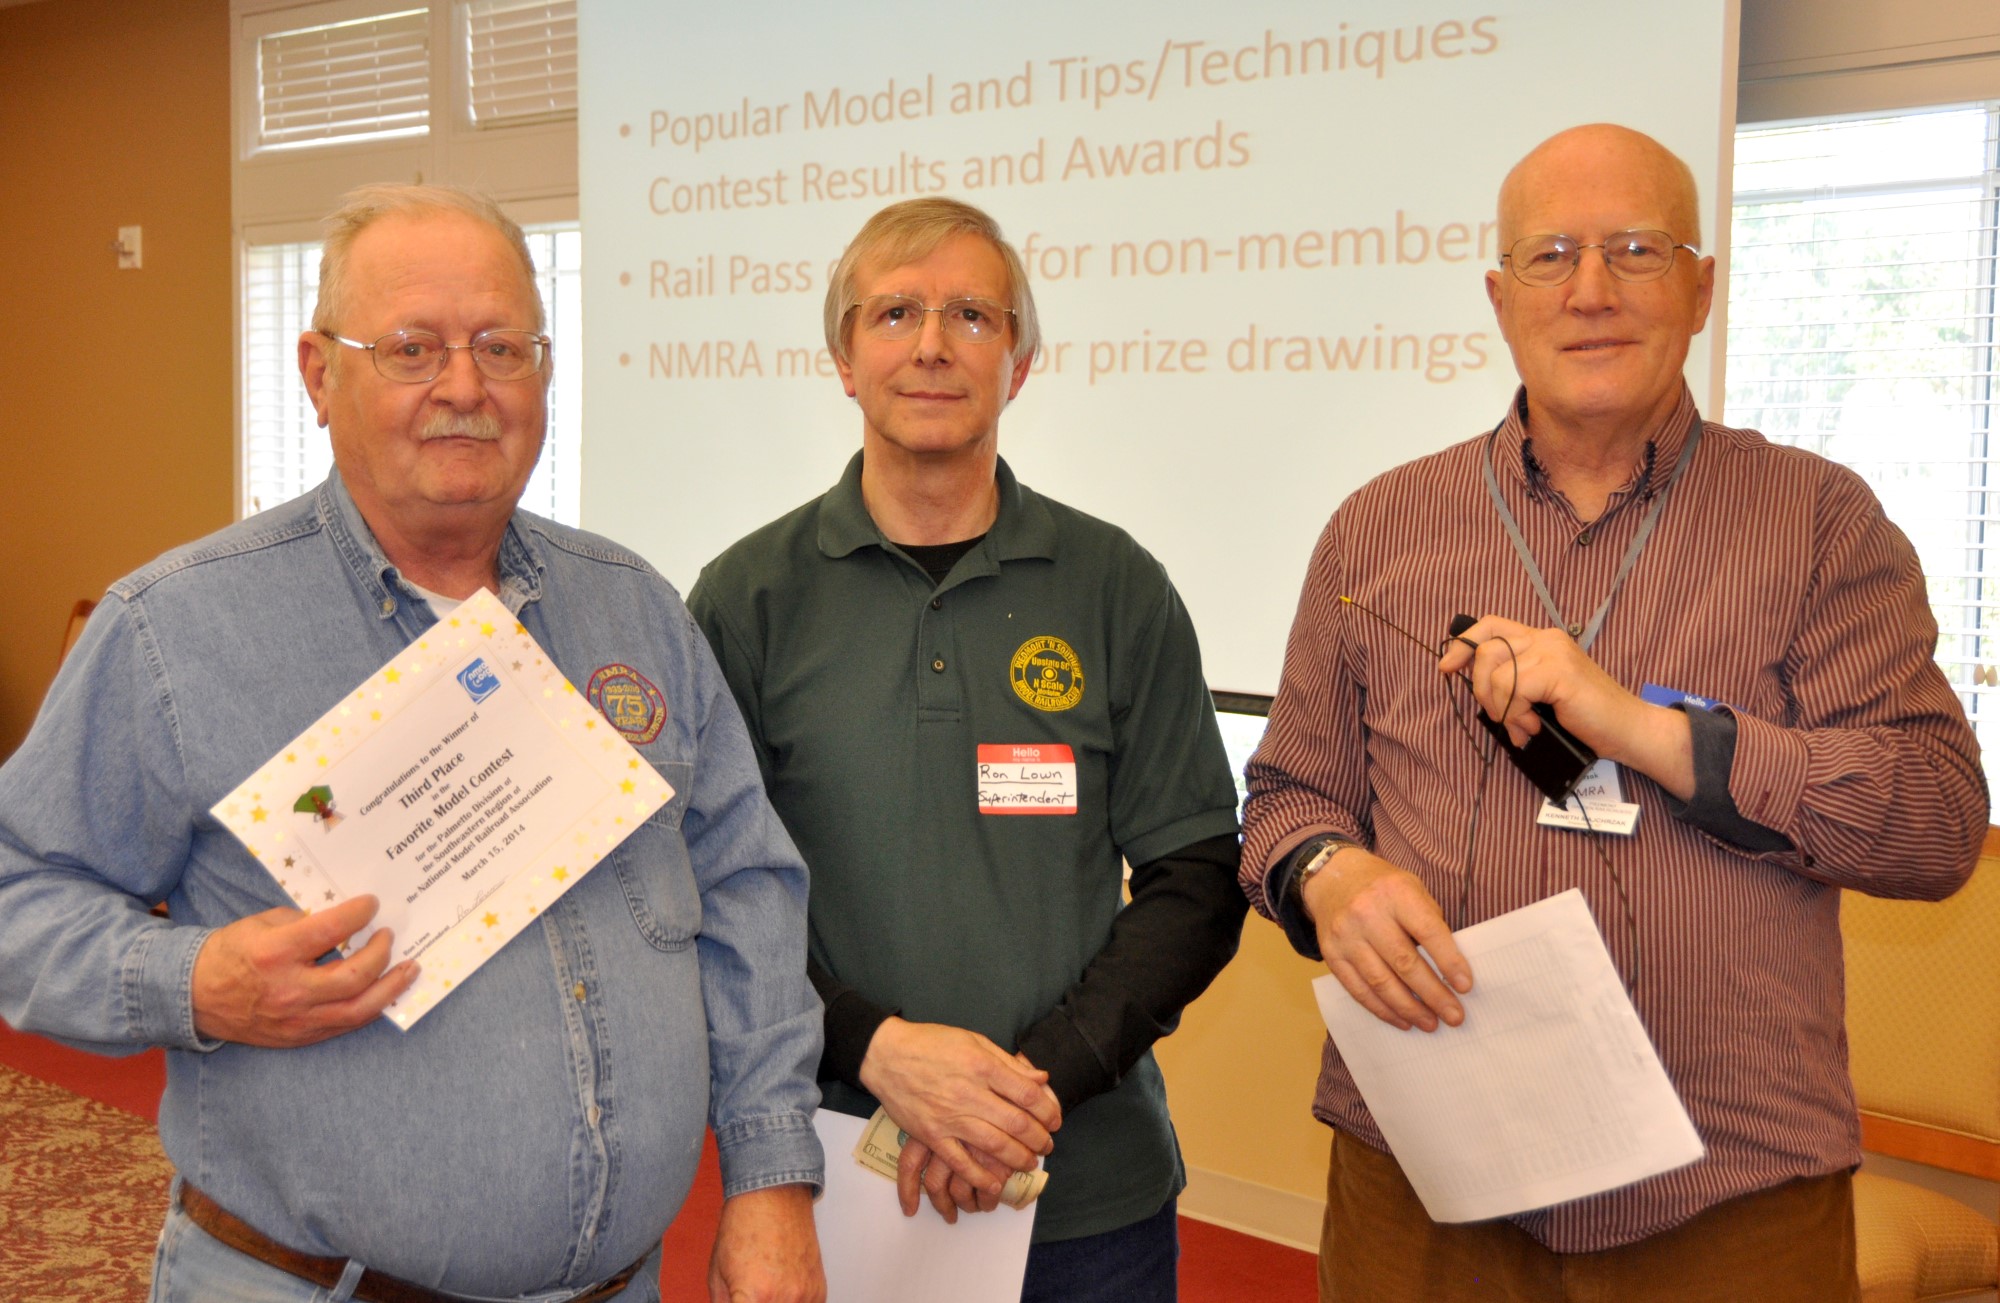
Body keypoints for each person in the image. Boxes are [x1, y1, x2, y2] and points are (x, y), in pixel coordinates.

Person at [0, 184, 825, 1303]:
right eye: (411, 348)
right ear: (317, 373)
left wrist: (770, 1178)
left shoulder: (632, 610)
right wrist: (192, 983)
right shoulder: (174, 632)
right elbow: (17, 891)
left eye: (502, 347)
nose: (465, 387)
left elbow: (746, 890)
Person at [1241, 124, 1986, 1302]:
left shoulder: (1816, 521)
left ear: (1700, 289)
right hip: (1423, 1173)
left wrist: (1639, 728)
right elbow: (1287, 797)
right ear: (1499, 299)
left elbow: (1934, 823)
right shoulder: (1376, 529)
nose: (1589, 290)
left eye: (1636, 250)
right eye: (1550, 256)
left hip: (1724, 1189)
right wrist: (1326, 873)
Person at [688, 197, 1246, 1303]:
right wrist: (877, 1050)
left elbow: (1195, 877)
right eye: (895, 312)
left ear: (1018, 364)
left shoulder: (1116, 585)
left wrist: (1021, 1091)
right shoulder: (746, 600)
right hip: (835, 1178)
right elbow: (708, 890)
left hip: (1086, 1197)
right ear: (844, 359)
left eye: (972, 315)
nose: (933, 344)